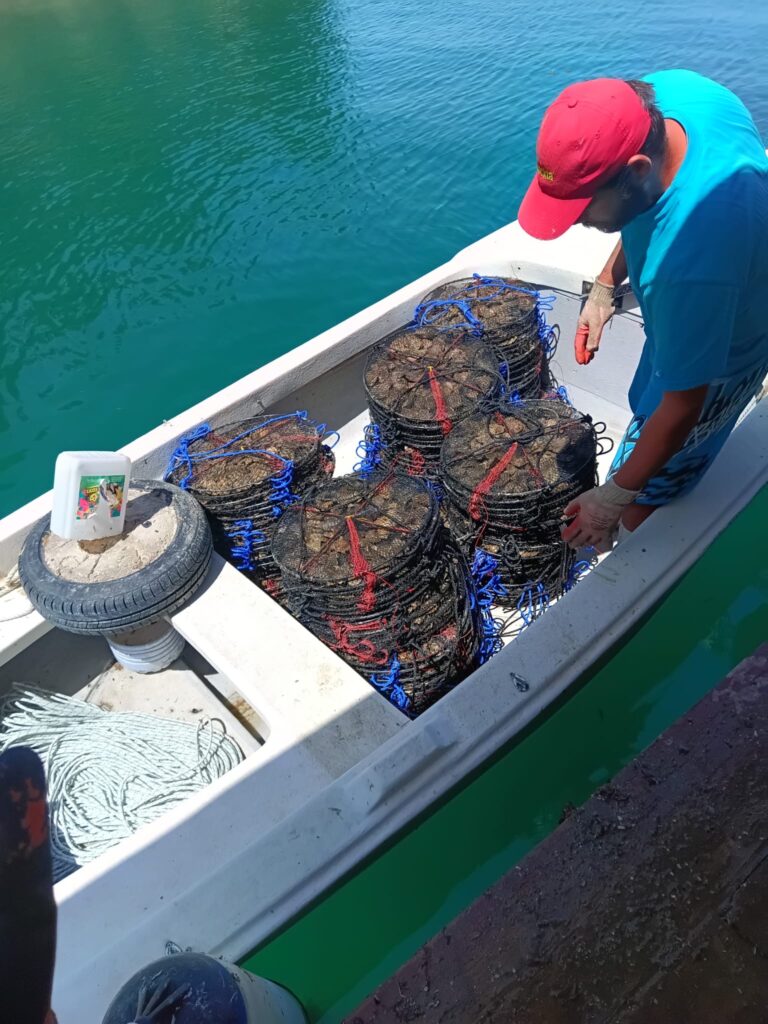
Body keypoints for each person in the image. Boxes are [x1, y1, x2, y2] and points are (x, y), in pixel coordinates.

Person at [518, 71, 768, 549]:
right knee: (649, 397)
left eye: (582, 209)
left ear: (635, 168)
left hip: (734, 336)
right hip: (723, 270)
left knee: (653, 480)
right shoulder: (676, 95)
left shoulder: (689, 267)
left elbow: (684, 405)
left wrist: (614, 496)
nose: (578, 223)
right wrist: (607, 285)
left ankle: (639, 535)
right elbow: (643, 207)